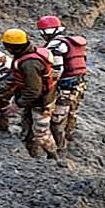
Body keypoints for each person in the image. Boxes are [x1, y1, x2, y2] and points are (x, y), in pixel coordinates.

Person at [0, 29, 61, 162]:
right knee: (27, 125)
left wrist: (17, 105)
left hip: (41, 102)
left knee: (41, 133)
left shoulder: (29, 64)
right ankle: (31, 152)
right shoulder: (27, 53)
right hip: (35, 99)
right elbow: (17, 77)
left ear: (12, 47)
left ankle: (54, 158)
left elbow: (33, 90)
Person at [36, 15, 89, 150]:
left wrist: (47, 86)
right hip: (79, 84)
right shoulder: (72, 42)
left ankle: (60, 147)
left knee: (57, 119)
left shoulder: (56, 45)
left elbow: (57, 70)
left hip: (65, 87)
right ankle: (69, 135)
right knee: (71, 112)